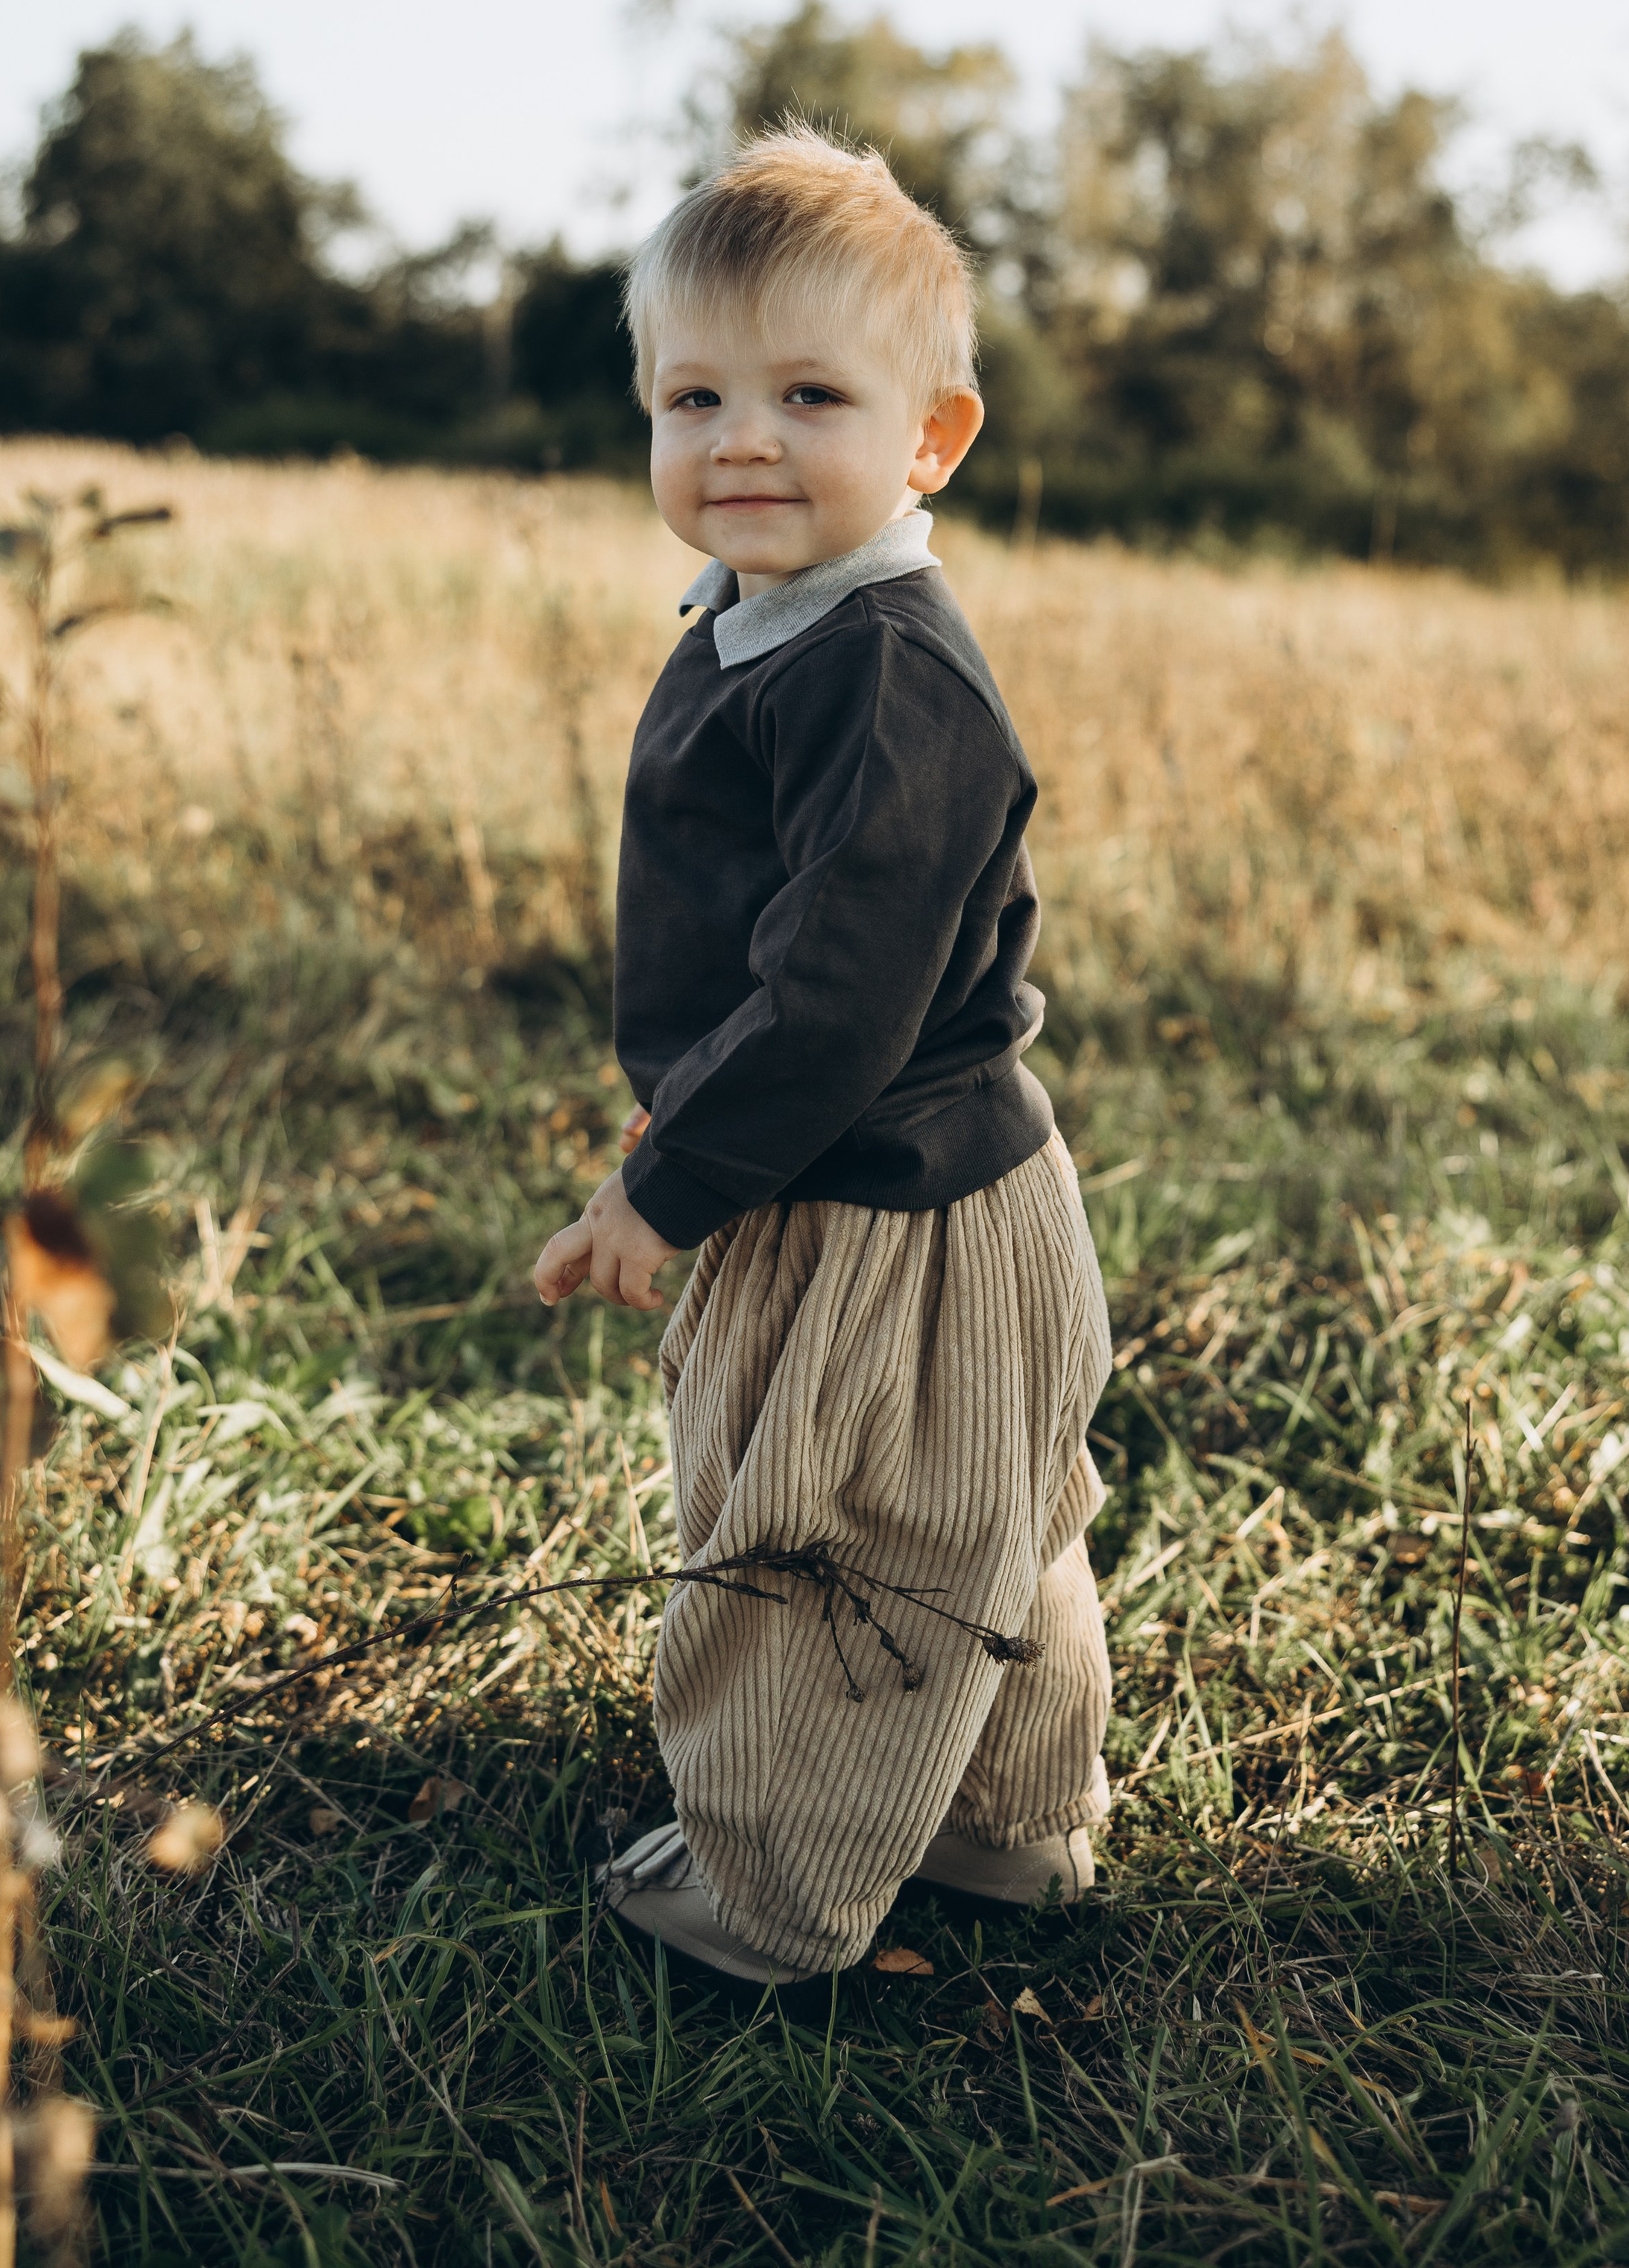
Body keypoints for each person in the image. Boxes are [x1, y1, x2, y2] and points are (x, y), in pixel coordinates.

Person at [533, 127, 1113, 1987]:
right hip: (875, 1166)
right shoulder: (767, 622)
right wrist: (686, 1097)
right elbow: (750, 929)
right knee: (976, 1512)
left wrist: (668, 1181)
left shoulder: (885, 667)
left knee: (829, 1531)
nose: (744, 440)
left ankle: (772, 1897)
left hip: (888, 1195)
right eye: (693, 394)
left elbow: (840, 996)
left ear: (930, 439)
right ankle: (1000, 1827)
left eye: (807, 394)